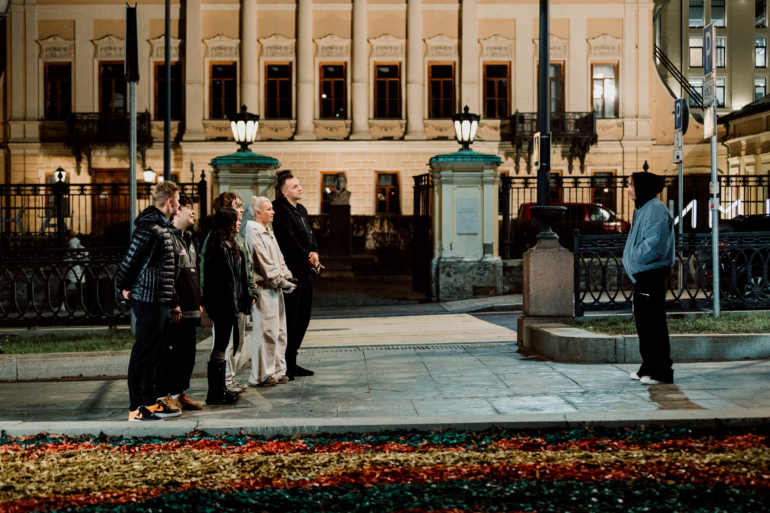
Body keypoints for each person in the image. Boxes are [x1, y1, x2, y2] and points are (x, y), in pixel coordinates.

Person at [116, 180, 182, 421]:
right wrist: (122, 289)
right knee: (143, 354)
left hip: (159, 298)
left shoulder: (161, 228)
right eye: (178, 199)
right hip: (148, 299)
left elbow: (167, 269)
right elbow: (129, 261)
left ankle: (150, 402)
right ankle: (136, 408)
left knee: (153, 355)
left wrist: (171, 299)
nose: (180, 203)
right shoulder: (149, 228)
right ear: (169, 202)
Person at [201, 192, 259, 394]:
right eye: (237, 206)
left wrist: (248, 291)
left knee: (236, 341)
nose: (242, 210)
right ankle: (222, 384)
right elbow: (213, 275)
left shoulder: (233, 237)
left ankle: (228, 381)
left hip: (235, 300)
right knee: (223, 344)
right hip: (226, 303)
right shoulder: (218, 240)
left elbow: (244, 269)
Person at [623, 171, 676, 385]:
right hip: (644, 274)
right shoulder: (645, 208)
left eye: (631, 184)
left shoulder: (654, 209)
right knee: (646, 324)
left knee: (652, 324)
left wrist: (634, 258)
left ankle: (661, 373)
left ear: (642, 187)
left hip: (649, 273)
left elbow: (654, 244)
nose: (628, 188)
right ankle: (649, 366)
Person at [154, 195, 204, 411]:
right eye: (188, 208)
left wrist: (198, 301)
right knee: (172, 354)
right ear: (176, 213)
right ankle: (164, 396)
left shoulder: (190, 239)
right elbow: (166, 275)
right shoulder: (168, 239)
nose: (193, 212)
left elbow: (194, 274)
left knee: (188, 355)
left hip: (191, 309)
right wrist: (174, 302)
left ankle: (179, 393)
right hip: (177, 311)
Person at [272, 174, 323, 379]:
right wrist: (307, 256)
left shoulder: (301, 210)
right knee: (290, 318)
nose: (300, 188)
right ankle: (284, 363)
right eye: (295, 186)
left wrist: (315, 253)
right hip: (291, 270)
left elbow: (310, 235)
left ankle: (292, 360)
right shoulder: (280, 210)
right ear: (284, 191)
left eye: (299, 184)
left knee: (303, 317)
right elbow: (287, 240)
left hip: (306, 270)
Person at [245, 196, 296, 387]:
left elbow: (279, 258)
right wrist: (281, 280)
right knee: (266, 331)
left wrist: (286, 276)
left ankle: (276, 369)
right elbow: (264, 264)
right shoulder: (254, 233)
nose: (273, 212)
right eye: (269, 209)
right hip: (266, 288)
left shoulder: (268, 231)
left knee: (279, 331)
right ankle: (261, 375)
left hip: (276, 287)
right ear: (258, 213)